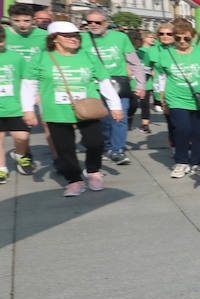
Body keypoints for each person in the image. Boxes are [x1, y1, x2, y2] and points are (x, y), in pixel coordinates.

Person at [20, 21, 122, 196]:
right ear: (54, 39)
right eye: (67, 36)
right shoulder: (41, 57)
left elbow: (105, 82)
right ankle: (74, 180)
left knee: (95, 142)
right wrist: (28, 110)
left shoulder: (88, 55)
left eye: (76, 35)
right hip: (56, 111)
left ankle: (93, 171)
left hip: (88, 108)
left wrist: (115, 106)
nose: (74, 39)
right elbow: (28, 84)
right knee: (64, 149)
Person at [81, 10, 142, 166]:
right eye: (89, 22)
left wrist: (140, 84)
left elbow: (134, 62)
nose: (93, 25)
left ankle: (118, 150)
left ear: (106, 23)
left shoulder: (120, 38)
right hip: (94, 86)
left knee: (119, 118)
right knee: (104, 120)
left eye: (97, 22)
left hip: (118, 84)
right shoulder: (81, 39)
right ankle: (107, 145)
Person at [158, 18, 200, 179]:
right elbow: (161, 78)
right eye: (178, 38)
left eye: (186, 38)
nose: (182, 41)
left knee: (198, 133)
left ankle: (196, 163)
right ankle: (181, 162)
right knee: (182, 130)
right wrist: (163, 100)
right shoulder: (166, 54)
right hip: (176, 98)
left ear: (193, 37)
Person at [0, 27, 35, 182]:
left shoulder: (16, 57)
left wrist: (33, 98)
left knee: (22, 136)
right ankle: (2, 169)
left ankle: (20, 155)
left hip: (15, 105)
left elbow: (26, 80)